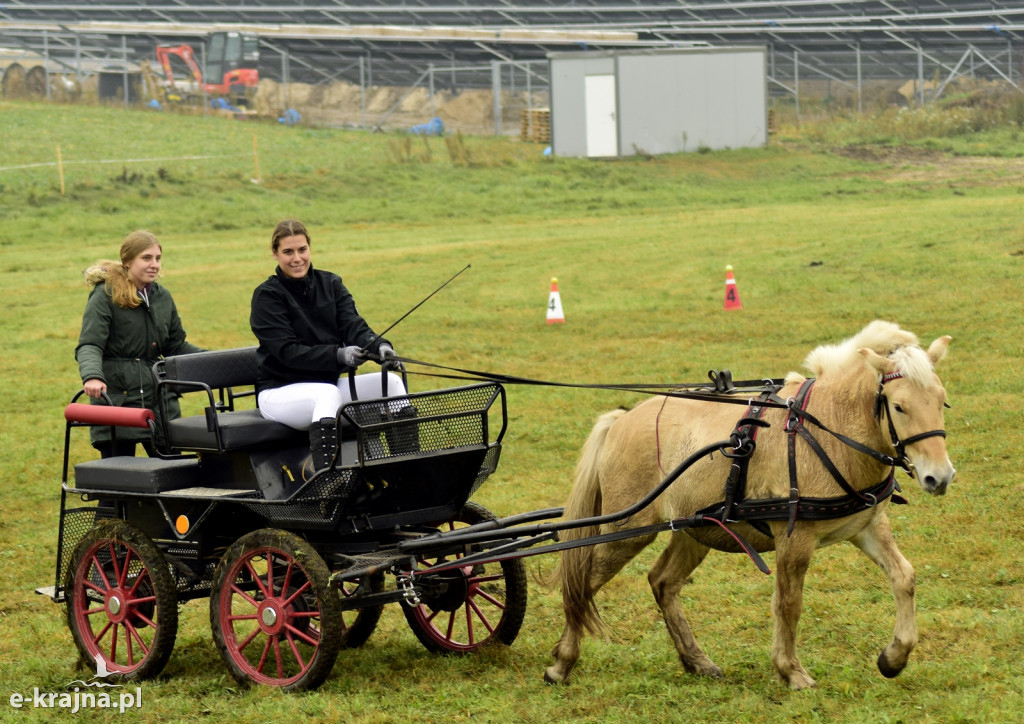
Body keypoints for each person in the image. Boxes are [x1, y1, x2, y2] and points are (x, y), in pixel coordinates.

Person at [249, 219, 404, 476]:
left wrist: (381, 346)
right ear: (275, 254)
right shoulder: (267, 296)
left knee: (392, 384)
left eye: (302, 250)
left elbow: (354, 325)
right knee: (326, 395)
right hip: (279, 393)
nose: (297, 258)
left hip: (326, 386)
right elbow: (287, 352)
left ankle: (407, 468)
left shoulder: (331, 283)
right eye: (288, 252)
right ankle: (328, 479)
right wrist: (338, 355)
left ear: (310, 249)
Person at [76, 230, 204, 457]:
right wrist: (92, 376)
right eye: (146, 258)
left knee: (174, 472)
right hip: (117, 399)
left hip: (159, 398)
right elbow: (90, 344)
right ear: (127, 262)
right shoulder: (105, 294)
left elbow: (175, 346)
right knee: (121, 479)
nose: (154, 264)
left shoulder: (162, 296)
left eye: (157, 258)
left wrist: (213, 360)